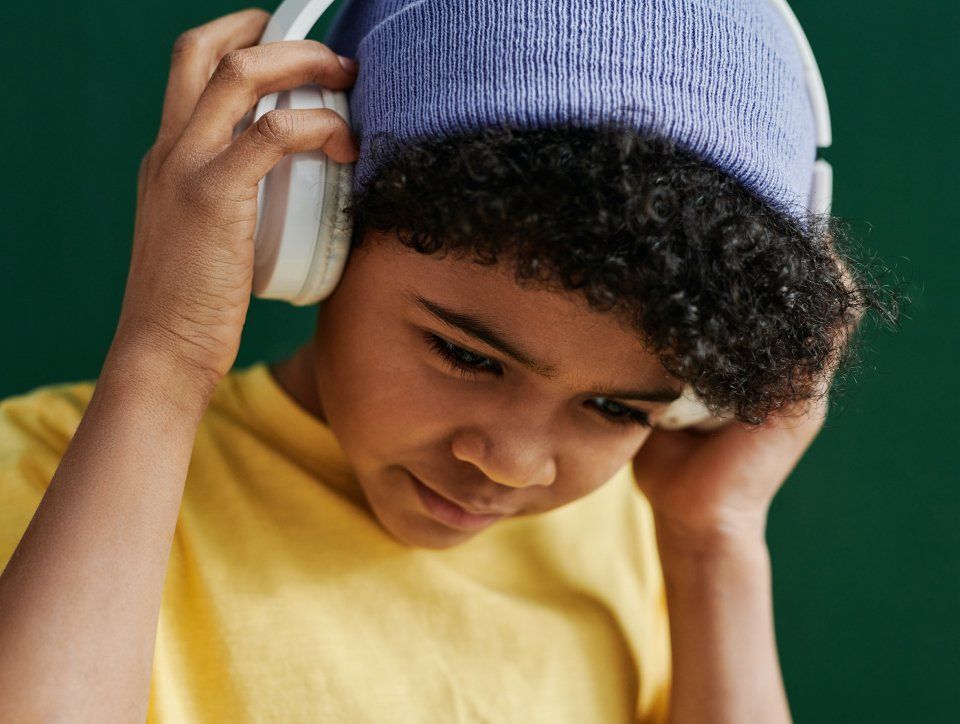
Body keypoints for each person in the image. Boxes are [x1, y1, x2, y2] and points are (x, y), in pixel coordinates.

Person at [0, 3, 898, 722]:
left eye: (618, 410)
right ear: (312, 227)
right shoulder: (41, 485)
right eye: (466, 354)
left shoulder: (643, 552)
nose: (511, 462)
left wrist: (714, 547)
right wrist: (166, 355)